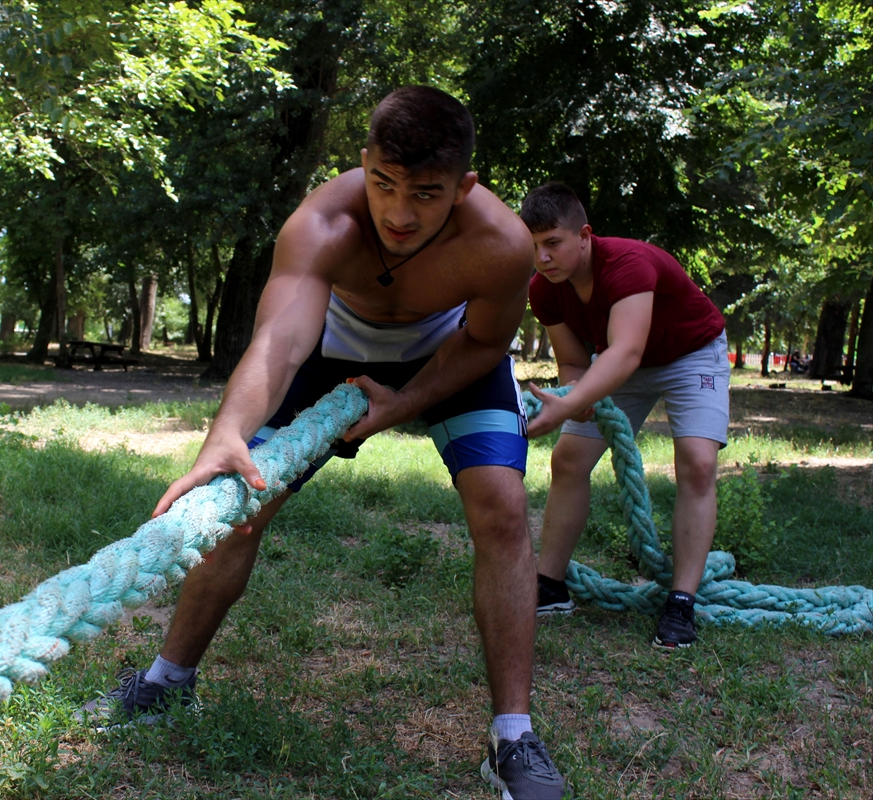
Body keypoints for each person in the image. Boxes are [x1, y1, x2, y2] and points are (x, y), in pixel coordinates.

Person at [82, 87, 569, 799]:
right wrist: (226, 433)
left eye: (427, 194)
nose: (400, 213)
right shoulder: (321, 223)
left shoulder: (499, 245)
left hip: (451, 358)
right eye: (384, 184)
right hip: (328, 350)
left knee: (501, 509)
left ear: (464, 187)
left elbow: (483, 344)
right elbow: (280, 341)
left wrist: (403, 403)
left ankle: (513, 736)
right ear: (365, 161)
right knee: (240, 503)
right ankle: (166, 683)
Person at [521, 182, 729, 649]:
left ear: (584, 236)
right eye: (533, 246)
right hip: (620, 360)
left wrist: (570, 403)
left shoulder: (628, 264)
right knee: (569, 460)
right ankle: (550, 587)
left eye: (552, 242)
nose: (543, 257)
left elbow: (627, 350)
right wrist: (576, 392)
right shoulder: (544, 289)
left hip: (690, 353)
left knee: (697, 463)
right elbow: (575, 363)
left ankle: (680, 602)